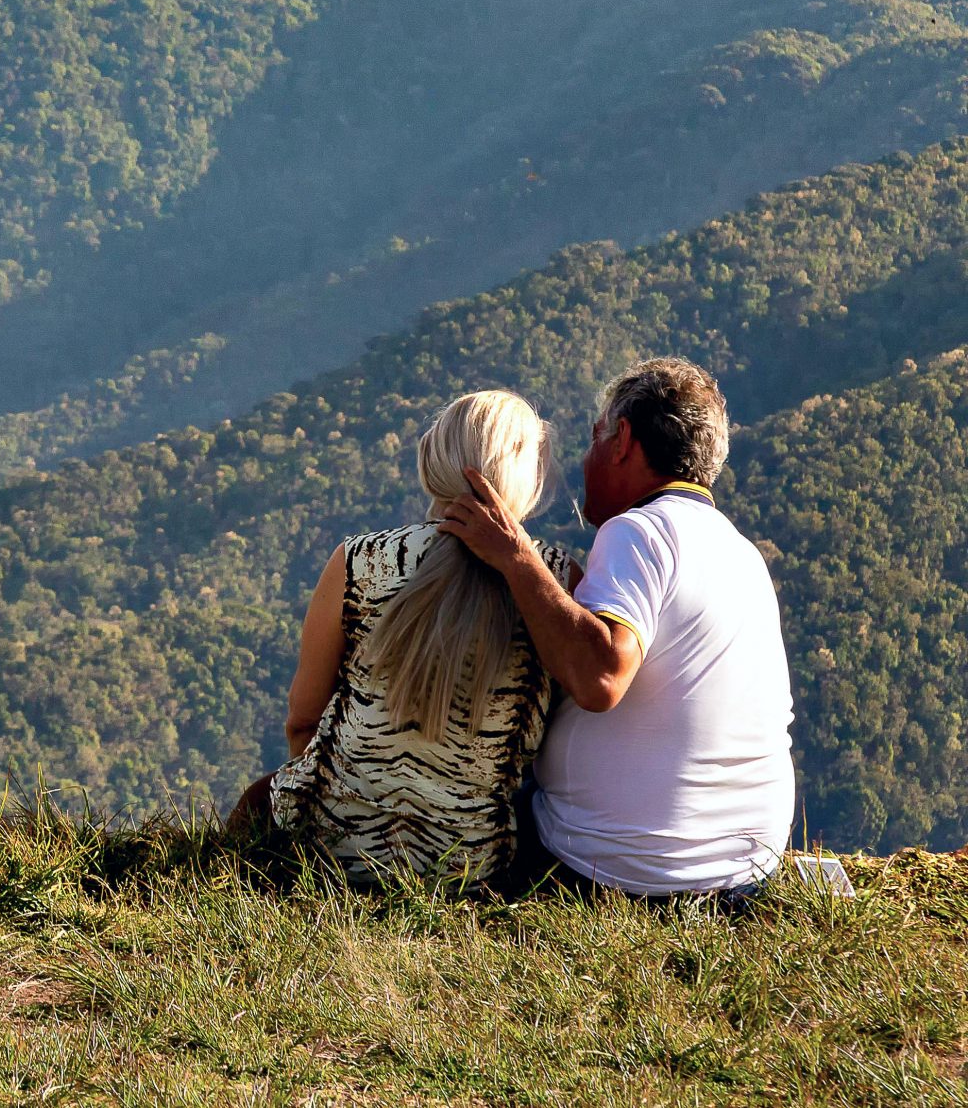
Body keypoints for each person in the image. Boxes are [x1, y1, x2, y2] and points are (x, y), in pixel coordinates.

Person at [439, 356, 794, 897]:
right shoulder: (741, 553)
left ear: (622, 439)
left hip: (622, 871)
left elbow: (600, 678)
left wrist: (515, 556)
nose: (585, 461)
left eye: (594, 439)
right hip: (747, 867)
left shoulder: (641, 531)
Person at [242, 390, 580, 882]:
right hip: (470, 866)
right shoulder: (558, 583)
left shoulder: (358, 563)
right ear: (531, 479)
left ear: (430, 461)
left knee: (256, 799)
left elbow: (303, 719)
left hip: (328, 847)